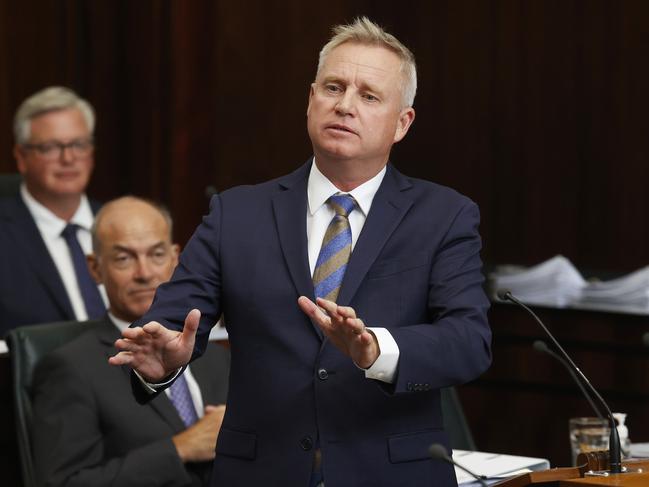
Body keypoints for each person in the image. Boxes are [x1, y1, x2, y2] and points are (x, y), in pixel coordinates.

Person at [111, 17, 491, 486]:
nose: (345, 105)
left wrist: (376, 348)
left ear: (402, 123)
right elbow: (168, 326)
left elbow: (469, 342)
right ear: (311, 100)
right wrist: (163, 364)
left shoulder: (444, 216)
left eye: (368, 95)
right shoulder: (237, 213)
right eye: (333, 87)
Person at [31, 196, 229, 487]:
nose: (144, 273)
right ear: (95, 268)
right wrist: (180, 449)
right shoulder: (70, 367)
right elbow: (64, 483)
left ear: (176, 257)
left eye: (157, 254)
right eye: (124, 258)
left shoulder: (218, 358)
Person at [0, 86, 106, 335]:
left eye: (79, 144)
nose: (68, 158)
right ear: (21, 157)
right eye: (50, 147)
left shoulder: (121, 224)